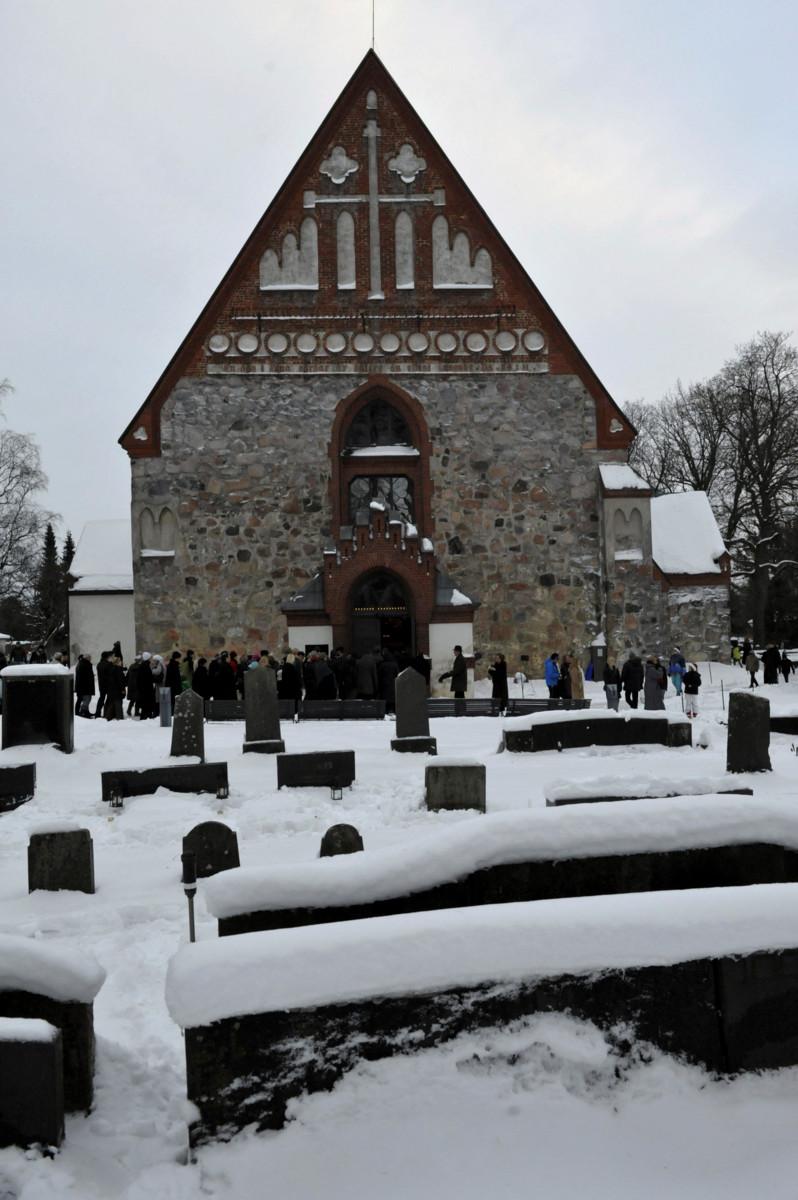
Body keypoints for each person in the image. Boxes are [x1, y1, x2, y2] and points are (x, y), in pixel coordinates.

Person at [377, 649, 399, 713]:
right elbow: (397, 675)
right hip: (392, 684)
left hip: (384, 684)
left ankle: (385, 711)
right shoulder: (394, 664)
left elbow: (379, 675)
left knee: (385, 698)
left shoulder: (382, 665)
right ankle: (392, 710)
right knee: (392, 699)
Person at [75, 653, 95, 717]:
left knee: (83, 699)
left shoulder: (82, 664)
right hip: (85, 686)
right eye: (90, 658)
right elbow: (85, 676)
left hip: (82, 686)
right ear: (87, 658)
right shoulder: (85, 664)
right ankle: (83, 712)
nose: (91, 659)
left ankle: (84, 712)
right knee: (86, 699)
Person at [94, 650, 112, 718]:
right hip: (108, 684)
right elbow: (110, 674)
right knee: (109, 699)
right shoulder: (108, 664)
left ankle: (97, 713)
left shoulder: (99, 664)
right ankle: (106, 713)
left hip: (101, 684)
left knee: (101, 698)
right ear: (107, 657)